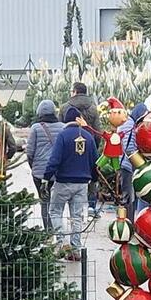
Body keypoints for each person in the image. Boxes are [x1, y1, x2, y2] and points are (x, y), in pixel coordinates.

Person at [44, 106, 98, 260]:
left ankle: (61, 243)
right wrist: (93, 180)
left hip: (63, 182)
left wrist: (46, 177)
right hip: (82, 183)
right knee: (76, 216)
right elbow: (95, 161)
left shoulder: (63, 136)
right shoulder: (88, 136)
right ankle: (76, 248)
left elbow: (54, 160)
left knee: (55, 212)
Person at [59, 82, 102, 216]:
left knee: (70, 173)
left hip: (68, 145)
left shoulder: (65, 107)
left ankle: (69, 206)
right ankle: (91, 205)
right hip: (88, 144)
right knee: (91, 175)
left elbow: (60, 128)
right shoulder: (93, 108)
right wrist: (93, 146)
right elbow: (98, 131)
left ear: (75, 92)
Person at [26, 100, 64, 231]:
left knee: (44, 202)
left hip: (39, 173)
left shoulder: (35, 128)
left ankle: (48, 230)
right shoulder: (63, 127)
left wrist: (34, 167)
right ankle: (58, 227)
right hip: (58, 172)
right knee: (57, 203)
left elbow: (29, 152)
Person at [117, 103, 146, 221]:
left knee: (128, 195)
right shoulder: (130, 126)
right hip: (128, 166)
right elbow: (129, 149)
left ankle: (128, 222)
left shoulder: (126, 123)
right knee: (129, 196)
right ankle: (127, 223)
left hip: (124, 164)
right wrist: (140, 164)